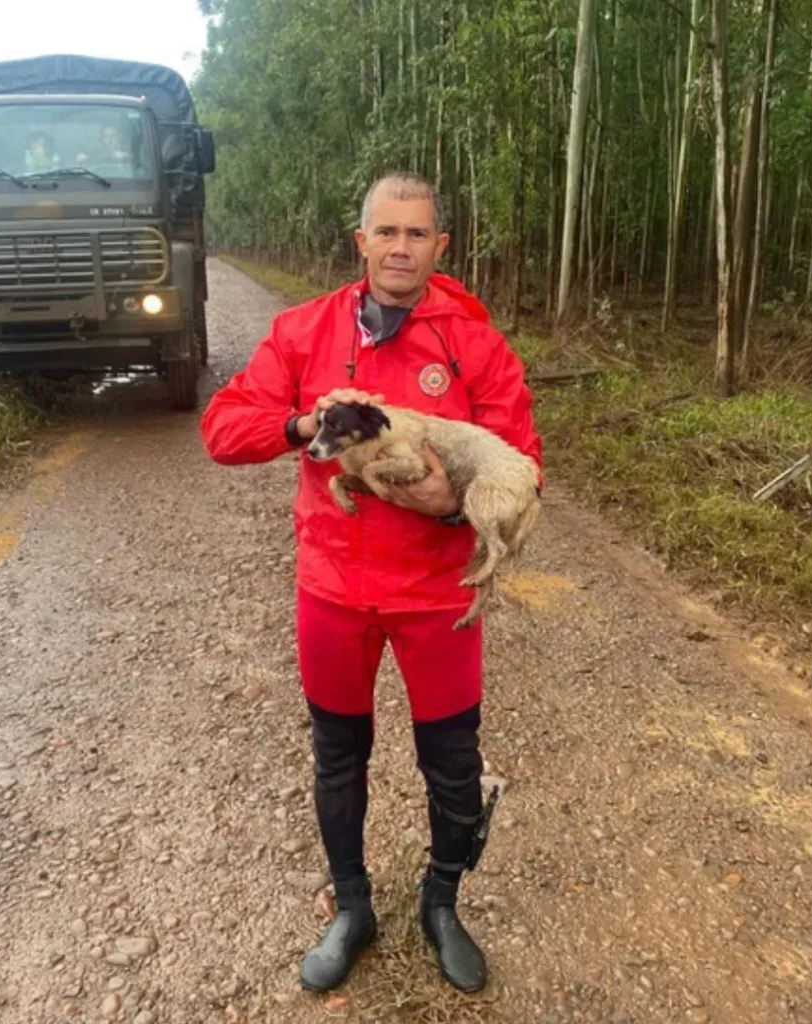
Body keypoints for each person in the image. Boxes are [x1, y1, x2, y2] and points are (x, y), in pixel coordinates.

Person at [200, 173, 542, 995]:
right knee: (338, 755)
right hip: (334, 590)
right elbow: (222, 431)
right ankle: (351, 906)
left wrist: (455, 507)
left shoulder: (475, 344)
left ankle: (443, 902)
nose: (399, 247)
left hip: (436, 597)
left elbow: (525, 463)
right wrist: (300, 425)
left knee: (452, 762)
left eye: (416, 234)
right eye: (385, 232)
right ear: (361, 242)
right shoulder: (302, 331)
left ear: (438, 247)